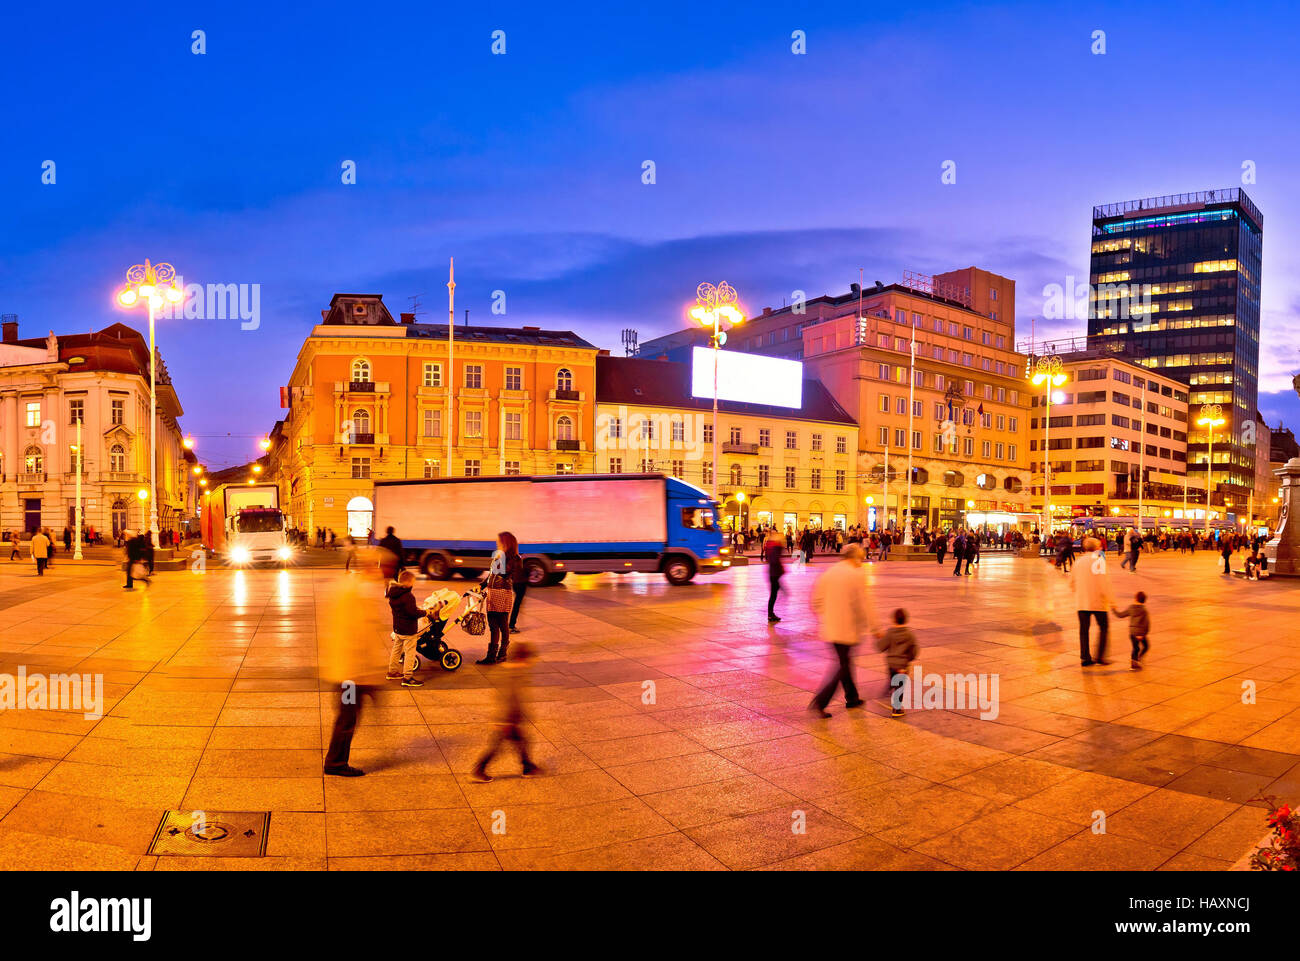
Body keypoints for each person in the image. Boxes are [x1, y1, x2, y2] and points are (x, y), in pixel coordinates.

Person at [320, 549, 388, 777]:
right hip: (350, 675)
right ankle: (335, 763)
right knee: (347, 717)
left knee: (346, 716)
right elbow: (359, 639)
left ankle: (336, 760)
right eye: (381, 567)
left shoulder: (352, 587)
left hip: (348, 671)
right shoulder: (357, 594)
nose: (383, 573)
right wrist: (366, 675)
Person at [808, 544, 876, 717]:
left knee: (845, 662)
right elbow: (864, 604)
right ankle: (821, 701)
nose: (861, 563)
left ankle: (852, 697)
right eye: (860, 559)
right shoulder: (856, 575)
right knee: (843, 666)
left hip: (831, 627)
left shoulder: (829, 573)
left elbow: (815, 601)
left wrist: (828, 615)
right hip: (847, 628)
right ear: (853, 558)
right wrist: (875, 627)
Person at [470, 640, 540, 782]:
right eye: (529, 658)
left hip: (511, 719)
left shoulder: (514, 672)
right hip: (507, 720)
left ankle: (527, 766)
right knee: (498, 746)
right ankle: (479, 769)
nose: (531, 662)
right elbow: (507, 699)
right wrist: (503, 721)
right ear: (521, 658)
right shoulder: (512, 675)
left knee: (520, 742)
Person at [478, 532, 521, 664]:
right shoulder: (501, 556)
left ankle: (498, 654)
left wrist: (499, 558)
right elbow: (492, 574)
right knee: (495, 625)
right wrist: (481, 586)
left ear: (506, 542)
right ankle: (495, 655)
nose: (497, 543)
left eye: (499, 541)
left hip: (501, 593)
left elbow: (503, 572)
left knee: (500, 624)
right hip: (494, 591)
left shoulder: (513, 558)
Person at [1072, 537, 1114, 667]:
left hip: (1082, 602)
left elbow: (1071, 582)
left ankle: (1085, 658)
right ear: (1096, 548)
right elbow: (1104, 583)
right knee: (1103, 628)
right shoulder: (1098, 561)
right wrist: (1112, 601)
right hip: (1097, 602)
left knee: (1083, 630)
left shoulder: (1078, 562)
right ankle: (1100, 656)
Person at [874, 608, 919, 718]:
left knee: (894, 681)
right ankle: (897, 709)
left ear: (894, 620)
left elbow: (880, 647)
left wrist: (879, 638)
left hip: (891, 665)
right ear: (906, 620)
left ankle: (891, 686)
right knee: (900, 687)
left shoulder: (890, 633)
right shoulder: (909, 635)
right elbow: (915, 649)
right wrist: (909, 658)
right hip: (902, 666)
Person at [385, 570, 425, 688]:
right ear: (407, 583)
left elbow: (404, 610)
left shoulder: (393, 594)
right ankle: (407, 677)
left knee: (396, 649)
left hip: (398, 627)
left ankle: (392, 672)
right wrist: (425, 612)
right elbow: (412, 613)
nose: (413, 584)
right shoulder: (408, 596)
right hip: (408, 629)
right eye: (413, 582)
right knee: (409, 653)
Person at [1112, 591, 1150, 670]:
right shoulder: (1144, 610)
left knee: (1135, 648)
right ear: (1144, 600)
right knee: (1146, 646)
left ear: (1135, 599)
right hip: (1140, 633)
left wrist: (1113, 609)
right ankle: (1138, 660)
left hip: (1132, 633)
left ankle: (1134, 663)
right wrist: (1143, 634)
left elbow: (1120, 615)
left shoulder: (1131, 608)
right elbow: (1146, 623)